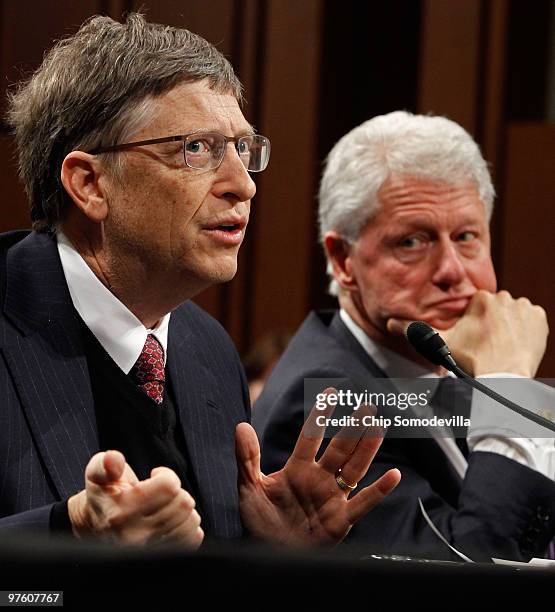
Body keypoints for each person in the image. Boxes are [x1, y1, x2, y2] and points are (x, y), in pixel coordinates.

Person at [0, 14, 401, 548]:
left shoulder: (205, 350)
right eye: (197, 149)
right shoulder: (11, 317)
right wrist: (68, 533)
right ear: (90, 183)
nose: (243, 186)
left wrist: (267, 555)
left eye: (243, 149)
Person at [253, 111, 555, 561]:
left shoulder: (447, 361)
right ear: (343, 260)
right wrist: (511, 388)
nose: (453, 271)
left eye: (467, 236)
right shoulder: (325, 398)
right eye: (413, 242)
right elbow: (474, 570)